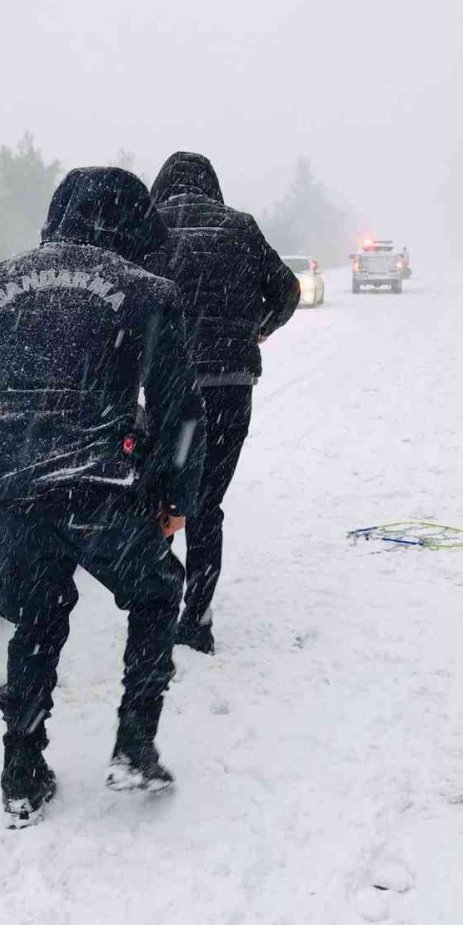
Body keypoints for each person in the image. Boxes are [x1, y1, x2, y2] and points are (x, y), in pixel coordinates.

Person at [0, 167, 205, 828]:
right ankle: (135, 745)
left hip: (18, 488)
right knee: (154, 592)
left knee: (36, 621)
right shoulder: (145, 291)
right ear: (136, 222)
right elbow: (181, 407)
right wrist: (179, 496)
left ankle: (21, 773)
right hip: (105, 485)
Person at [149, 151, 300, 654]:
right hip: (230, 388)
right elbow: (288, 290)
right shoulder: (241, 228)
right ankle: (197, 619)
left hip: (172, 389)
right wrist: (259, 328)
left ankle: (157, 602)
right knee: (207, 503)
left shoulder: (152, 226)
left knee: (165, 498)